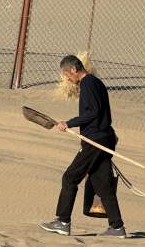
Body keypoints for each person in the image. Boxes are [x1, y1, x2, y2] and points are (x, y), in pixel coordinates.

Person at [39, 55, 127, 238]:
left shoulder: (88, 84)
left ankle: (63, 221)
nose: (67, 78)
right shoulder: (96, 83)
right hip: (104, 138)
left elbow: (93, 113)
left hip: (95, 141)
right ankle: (117, 227)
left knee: (70, 178)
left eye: (66, 74)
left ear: (73, 69)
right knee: (103, 184)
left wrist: (69, 123)